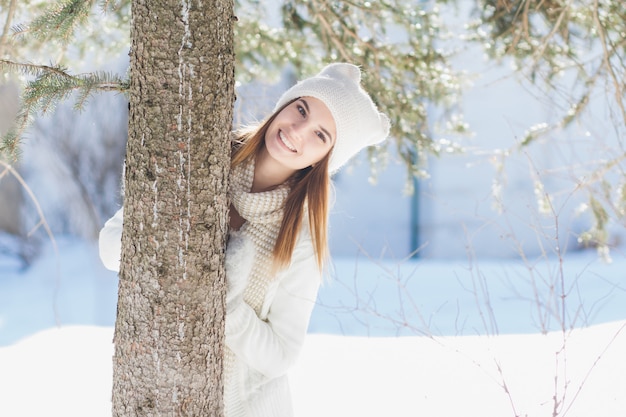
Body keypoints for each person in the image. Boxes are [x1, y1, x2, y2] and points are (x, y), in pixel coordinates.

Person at [99, 62, 390, 417]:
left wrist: (227, 305)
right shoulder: (204, 159)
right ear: (285, 103)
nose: (298, 131)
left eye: (320, 135)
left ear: (324, 160)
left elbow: (282, 353)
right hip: (157, 394)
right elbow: (111, 248)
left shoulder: (300, 235)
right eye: (301, 109)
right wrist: (172, 231)